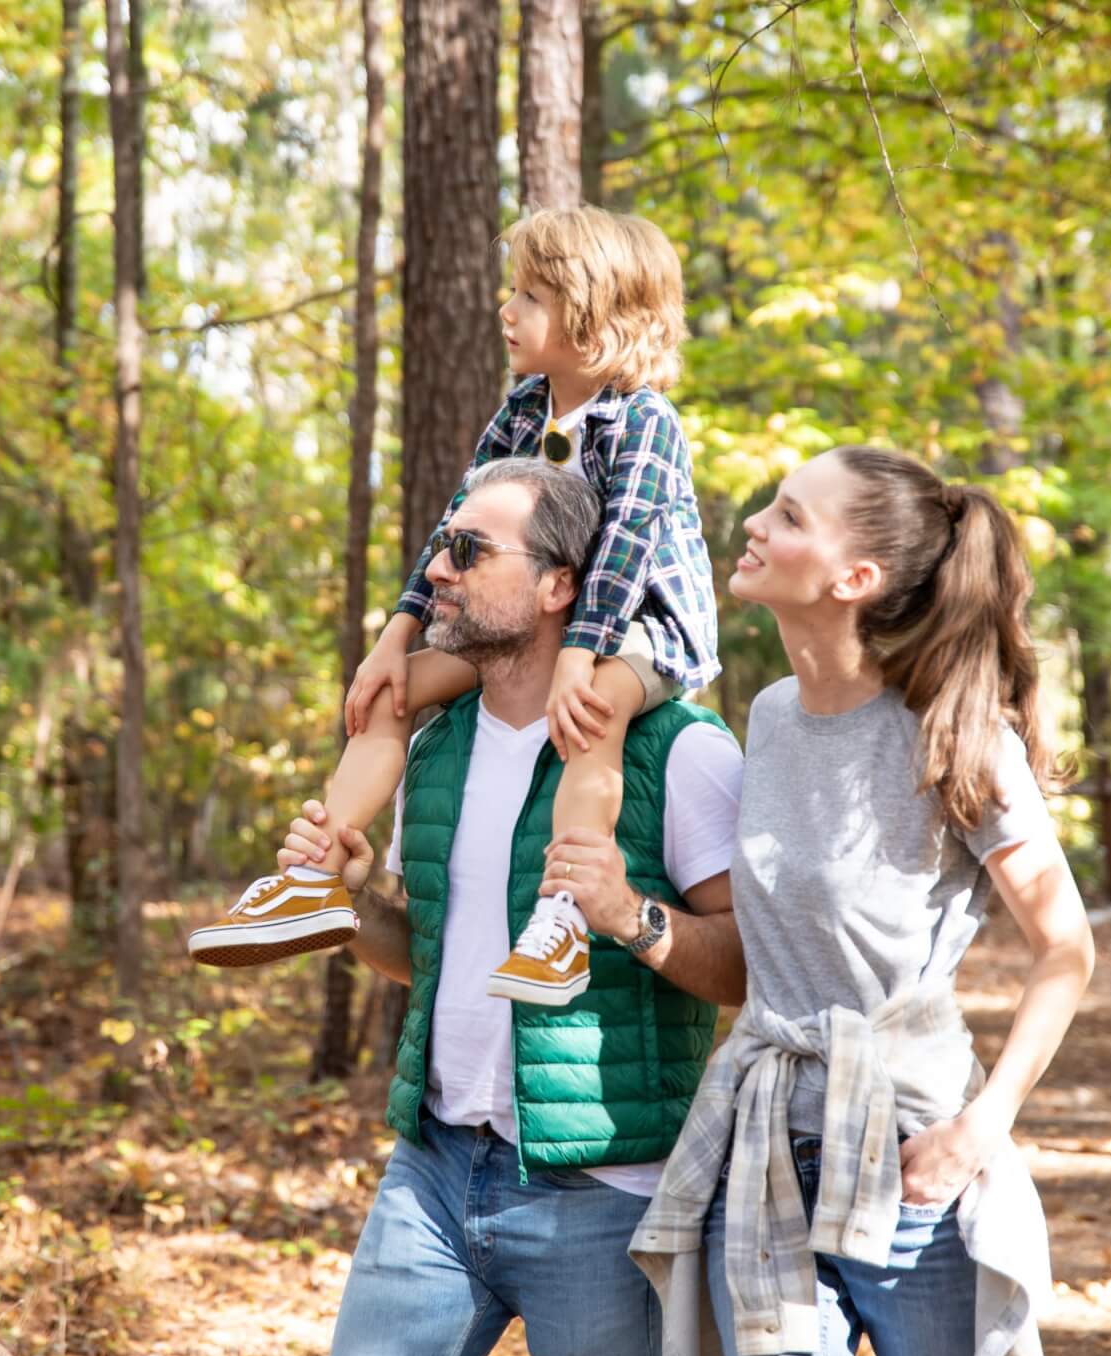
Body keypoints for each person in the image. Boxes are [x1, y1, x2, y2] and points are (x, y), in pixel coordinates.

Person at [631, 447, 1096, 1356]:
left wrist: (982, 1127)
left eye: (792, 516)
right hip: (762, 1148)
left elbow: (1066, 951)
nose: (756, 525)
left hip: (911, 1155)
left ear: (857, 578)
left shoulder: (956, 736)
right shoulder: (765, 716)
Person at [188, 206, 722, 1007]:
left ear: (594, 314)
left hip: (644, 626)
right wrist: (393, 638)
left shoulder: (644, 421)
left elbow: (623, 553)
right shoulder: (521, 410)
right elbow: (454, 527)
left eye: (531, 298)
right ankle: (312, 875)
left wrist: (578, 657)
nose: (507, 311)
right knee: (391, 694)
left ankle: (563, 917)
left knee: (591, 719)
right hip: (539, 626)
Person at [276, 460, 747, 1356]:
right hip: (434, 1169)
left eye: (466, 550)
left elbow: (746, 969)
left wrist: (628, 917)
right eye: (438, 549)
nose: (436, 573)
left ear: (557, 584)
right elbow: (435, 955)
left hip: (609, 1191)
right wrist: (346, 899)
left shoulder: (678, 751)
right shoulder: (435, 745)